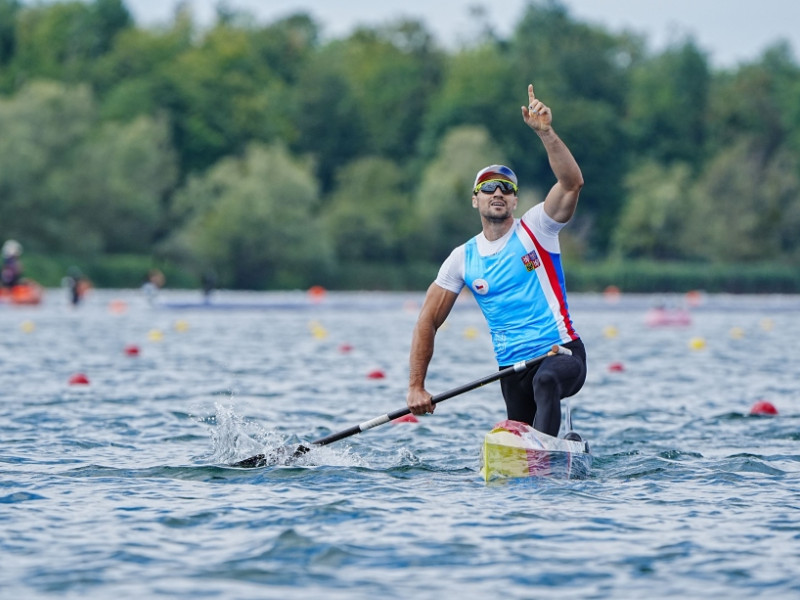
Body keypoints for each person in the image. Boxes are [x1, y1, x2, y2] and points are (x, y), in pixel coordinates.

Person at [406, 83, 587, 439]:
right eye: (488, 187)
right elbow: (427, 321)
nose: (498, 192)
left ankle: (546, 456)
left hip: (561, 354)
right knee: (515, 430)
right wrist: (416, 387)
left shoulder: (538, 228)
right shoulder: (461, 259)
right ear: (476, 200)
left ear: (515, 201)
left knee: (548, 379)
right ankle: (553, 451)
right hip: (511, 371)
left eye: (506, 187)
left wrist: (546, 133)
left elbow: (571, 184)